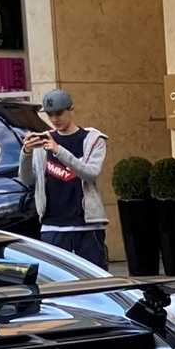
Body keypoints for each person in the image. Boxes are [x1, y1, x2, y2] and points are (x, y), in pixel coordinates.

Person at [21, 89, 109, 266]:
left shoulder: (92, 139)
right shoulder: (43, 140)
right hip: (52, 225)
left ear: (71, 110)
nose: (55, 120)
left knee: (95, 281)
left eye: (60, 113)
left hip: (86, 225)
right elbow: (27, 180)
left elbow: (90, 173)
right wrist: (26, 153)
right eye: (50, 115)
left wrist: (58, 151)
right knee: (57, 283)